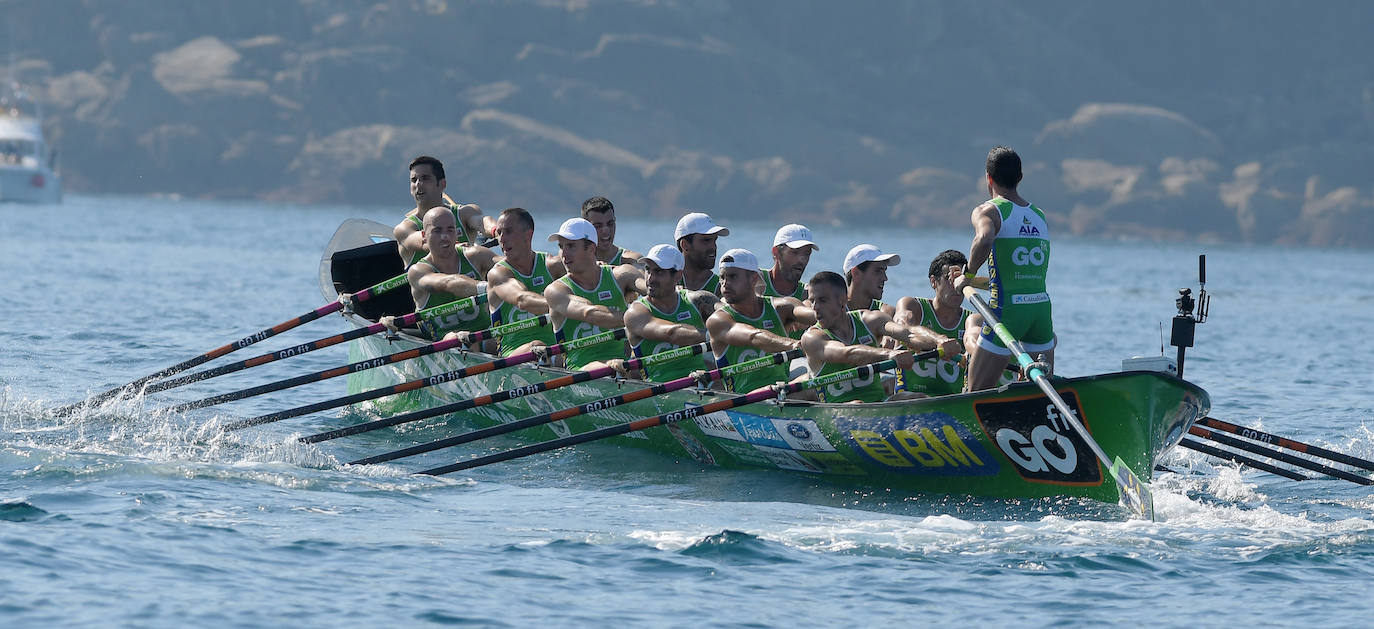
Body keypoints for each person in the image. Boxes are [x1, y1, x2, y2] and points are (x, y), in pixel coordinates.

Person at [952, 145, 1054, 392]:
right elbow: (1015, 271)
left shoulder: (989, 210)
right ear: (1020, 178)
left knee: (976, 392)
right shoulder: (1039, 215)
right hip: (1040, 310)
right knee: (1041, 394)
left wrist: (967, 275)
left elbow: (984, 239)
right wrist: (975, 283)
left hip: (1007, 312)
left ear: (988, 178)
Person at [802, 272, 961, 403]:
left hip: (878, 405)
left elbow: (909, 333)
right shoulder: (811, 338)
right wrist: (889, 354)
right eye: (812, 301)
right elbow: (847, 354)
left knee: (916, 398)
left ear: (842, 300)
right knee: (857, 405)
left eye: (822, 300)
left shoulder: (871, 320)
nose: (815, 308)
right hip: (835, 413)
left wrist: (939, 340)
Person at [705, 249, 817, 397]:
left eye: (732, 277)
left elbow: (816, 316)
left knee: (816, 380)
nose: (725, 284)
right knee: (776, 389)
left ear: (753, 279)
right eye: (722, 277)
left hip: (783, 393)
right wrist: (794, 345)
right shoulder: (718, 320)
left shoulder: (781, 308)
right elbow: (754, 336)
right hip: (743, 401)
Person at [543, 218, 642, 371]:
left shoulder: (620, 275)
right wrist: (642, 321)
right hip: (580, 369)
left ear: (591, 248)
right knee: (611, 369)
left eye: (571, 246)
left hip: (622, 365)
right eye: (561, 247)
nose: (564, 254)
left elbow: (649, 287)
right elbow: (590, 313)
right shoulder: (556, 290)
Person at [399, 206, 497, 341]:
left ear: (456, 234)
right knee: (453, 338)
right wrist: (489, 288)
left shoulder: (476, 255)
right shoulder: (418, 271)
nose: (445, 237)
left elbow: (510, 267)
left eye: (450, 230)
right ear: (424, 236)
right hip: (444, 345)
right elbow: (449, 283)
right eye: (437, 231)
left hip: (485, 339)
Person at [622, 245, 717, 382]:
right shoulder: (636, 312)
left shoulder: (697, 300)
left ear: (678, 275)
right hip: (659, 391)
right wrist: (717, 335)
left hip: (700, 384)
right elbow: (671, 333)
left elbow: (730, 314)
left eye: (659, 272)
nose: (650, 278)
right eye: (648, 270)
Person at [893, 250, 981, 395]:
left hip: (952, 403)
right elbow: (904, 329)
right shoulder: (913, 306)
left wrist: (978, 354)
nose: (956, 286)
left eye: (959, 279)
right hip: (909, 397)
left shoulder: (971, 320)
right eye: (949, 279)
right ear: (934, 282)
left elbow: (981, 344)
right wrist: (938, 340)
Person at [480, 207, 566, 356]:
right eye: (499, 233)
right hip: (512, 353)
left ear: (528, 235)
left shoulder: (552, 266)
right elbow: (522, 299)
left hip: (554, 353)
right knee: (537, 346)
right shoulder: (498, 274)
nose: (502, 239)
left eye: (508, 232)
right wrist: (570, 308)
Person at [394, 155, 496, 266]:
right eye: (414, 180)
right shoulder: (404, 229)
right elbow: (425, 240)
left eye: (425, 178)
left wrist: (496, 230)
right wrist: (454, 247)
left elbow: (482, 222)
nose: (418, 184)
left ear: (442, 184)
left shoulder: (465, 213)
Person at [759, 224, 817, 302]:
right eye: (795, 252)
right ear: (776, 252)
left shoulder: (809, 294)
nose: (802, 260)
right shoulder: (755, 280)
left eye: (807, 253)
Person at [674, 212, 729, 294]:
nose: (713, 247)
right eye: (706, 240)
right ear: (684, 245)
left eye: (714, 240)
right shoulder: (666, 281)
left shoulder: (722, 288)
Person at [581, 196, 642, 266]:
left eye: (610, 224)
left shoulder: (632, 260)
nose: (605, 230)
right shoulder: (573, 261)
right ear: (585, 227)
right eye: (598, 226)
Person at [842, 244, 900, 316]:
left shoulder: (888, 313)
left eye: (884, 271)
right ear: (856, 273)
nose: (885, 278)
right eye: (878, 271)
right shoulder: (831, 311)